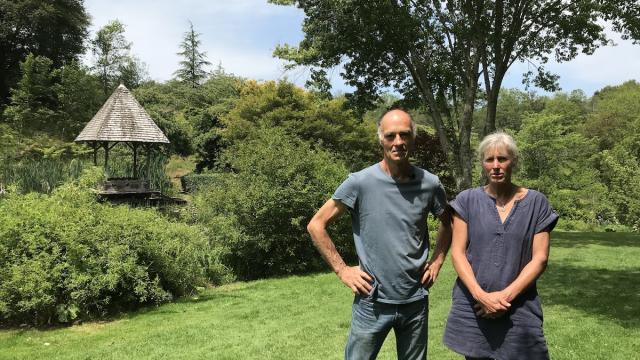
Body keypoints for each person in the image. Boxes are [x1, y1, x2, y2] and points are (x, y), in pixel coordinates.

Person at [307, 109, 452, 360]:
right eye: (391, 136)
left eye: (404, 135)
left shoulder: (430, 183)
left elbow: (450, 223)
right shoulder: (360, 182)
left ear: (413, 138)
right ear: (381, 140)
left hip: (415, 300)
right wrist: (343, 270)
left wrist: (438, 261)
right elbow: (316, 225)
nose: (398, 142)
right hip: (371, 302)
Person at [443, 132, 559, 360]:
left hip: (519, 307)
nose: (496, 166)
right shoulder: (466, 200)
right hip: (474, 307)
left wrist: (503, 298)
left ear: (513, 161)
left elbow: (540, 259)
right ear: (482, 164)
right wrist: (482, 297)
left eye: (503, 159)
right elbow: (457, 253)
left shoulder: (536, 202)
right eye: (489, 160)